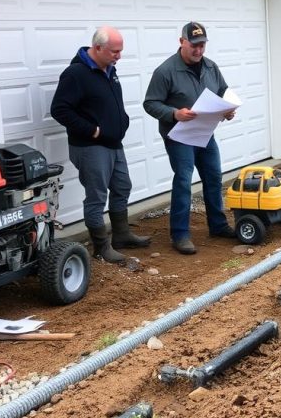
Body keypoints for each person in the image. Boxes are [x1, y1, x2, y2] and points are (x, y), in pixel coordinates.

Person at [50, 26, 150, 264]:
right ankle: (101, 247)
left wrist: (122, 121)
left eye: (120, 51)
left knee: (122, 186)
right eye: (115, 51)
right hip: (90, 147)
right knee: (96, 196)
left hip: (114, 143)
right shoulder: (75, 74)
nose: (119, 56)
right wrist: (92, 130)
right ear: (97, 48)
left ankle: (122, 234)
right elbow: (59, 109)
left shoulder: (110, 71)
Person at [143, 22, 236, 255]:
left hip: (205, 133)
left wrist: (227, 109)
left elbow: (223, 90)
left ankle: (218, 225)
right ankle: (180, 234)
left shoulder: (211, 67)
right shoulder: (165, 71)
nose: (198, 50)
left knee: (214, 177)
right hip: (179, 136)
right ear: (182, 41)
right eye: (194, 45)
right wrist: (174, 114)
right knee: (184, 181)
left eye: (202, 45)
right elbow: (150, 103)